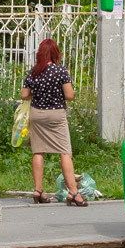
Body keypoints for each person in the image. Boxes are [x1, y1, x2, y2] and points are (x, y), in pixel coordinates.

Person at [21, 39, 87, 206]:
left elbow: (24, 95)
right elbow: (70, 95)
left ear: (40, 54)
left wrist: (36, 95)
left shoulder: (34, 72)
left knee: (38, 151)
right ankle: (73, 192)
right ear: (56, 53)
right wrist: (56, 95)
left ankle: (38, 190)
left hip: (37, 114)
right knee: (64, 152)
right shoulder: (60, 71)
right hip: (56, 115)